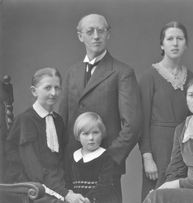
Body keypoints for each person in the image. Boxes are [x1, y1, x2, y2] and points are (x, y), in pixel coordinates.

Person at [58, 14, 142, 201]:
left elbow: (133, 125)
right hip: (74, 165)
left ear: (108, 34)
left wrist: (109, 159)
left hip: (106, 168)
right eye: (90, 31)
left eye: (101, 31)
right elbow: (60, 119)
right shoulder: (72, 72)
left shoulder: (122, 72)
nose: (96, 36)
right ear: (80, 36)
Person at [5, 67, 88, 203]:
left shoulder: (58, 121)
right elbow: (33, 168)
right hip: (29, 188)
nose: (53, 93)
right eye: (47, 88)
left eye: (57, 88)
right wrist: (65, 193)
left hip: (54, 184)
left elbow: (62, 162)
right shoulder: (26, 121)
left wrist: (70, 190)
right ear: (34, 91)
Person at [138, 21, 193, 200]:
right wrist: (147, 157)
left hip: (184, 148)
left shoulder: (192, 78)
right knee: (156, 196)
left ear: (186, 44)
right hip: (158, 148)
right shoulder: (149, 76)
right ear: (162, 44)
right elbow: (142, 121)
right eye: (170, 39)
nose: (175, 43)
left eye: (180, 38)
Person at [71, 112, 121, 203]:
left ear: (102, 134)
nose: (91, 138)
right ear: (78, 136)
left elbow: (105, 184)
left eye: (95, 133)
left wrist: (89, 199)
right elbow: (68, 181)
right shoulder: (74, 156)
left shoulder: (106, 157)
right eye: (85, 134)